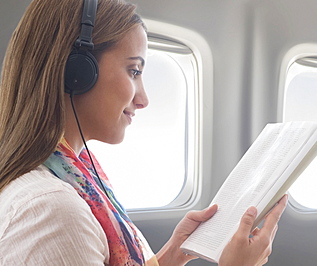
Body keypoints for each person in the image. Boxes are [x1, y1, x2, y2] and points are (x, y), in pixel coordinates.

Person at [0, 0, 288, 265]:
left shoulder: (74, 168)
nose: (144, 99)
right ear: (76, 71)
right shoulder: (52, 211)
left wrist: (174, 253)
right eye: (134, 71)